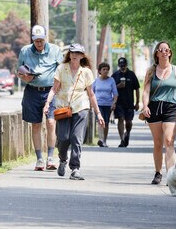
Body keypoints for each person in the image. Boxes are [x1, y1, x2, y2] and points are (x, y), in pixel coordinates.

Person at [43, 43, 105, 180]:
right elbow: (54, 88)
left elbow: (91, 94)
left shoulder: (86, 72)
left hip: (81, 106)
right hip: (63, 107)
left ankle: (75, 168)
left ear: (82, 55)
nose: (74, 55)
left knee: (76, 138)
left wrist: (98, 113)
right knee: (63, 138)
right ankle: (63, 159)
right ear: (69, 54)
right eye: (72, 52)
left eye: (77, 53)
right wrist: (47, 104)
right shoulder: (61, 68)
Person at [17, 25, 63, 171]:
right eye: (36, 41)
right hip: (32, 90)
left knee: (51, 122)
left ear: (45, 38)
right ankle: (39, 159)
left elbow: (62, 71)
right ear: (32, 39)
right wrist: (26, 77)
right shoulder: (25, 51)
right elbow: (19, 71)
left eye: (41, 40)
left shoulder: (55, 50)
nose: (39, 43)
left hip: (51, 90)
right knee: (36, 124)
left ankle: (50, 157)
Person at [140, 41, 176, 185]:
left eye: (167, 50)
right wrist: (145, 106)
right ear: (157, 53)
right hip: (154, 107)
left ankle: (171, 176)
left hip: (171, 107)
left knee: (169, 141)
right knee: (158, 143)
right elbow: (146, 91)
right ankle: (158, 172)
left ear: (170, 53)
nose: (164, 52)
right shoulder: (151, 71)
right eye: (161, 50)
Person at [111, 57, 140, 147]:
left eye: (124, 65)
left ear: (126, 65)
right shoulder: (115, 75)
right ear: (119, 66)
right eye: (121, 66)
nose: (122, 67)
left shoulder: (131, 74)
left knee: (128, 122)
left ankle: (127, 133)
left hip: (129, 102)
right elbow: (110, 89)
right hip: (118, 102)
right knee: (120, 119)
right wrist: (118, 86)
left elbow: (137, 89)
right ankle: (122, 139)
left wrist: (137, 102)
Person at [92, 62, 118, 147]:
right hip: (98, 104)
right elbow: (91, 92)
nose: (106, 71)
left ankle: (104, 140)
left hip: (108, 104)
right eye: (104, 69)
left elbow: (115, 93)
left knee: (106, 123)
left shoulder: (111, 80)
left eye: (107, 69)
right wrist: (91, 103)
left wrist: (114, 103)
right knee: (100, 121)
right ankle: (100, 139)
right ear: (100, 71)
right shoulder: (96, 81)